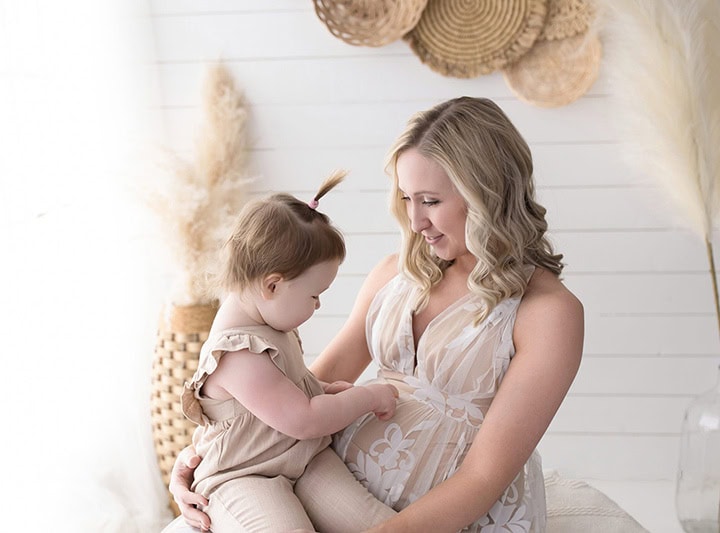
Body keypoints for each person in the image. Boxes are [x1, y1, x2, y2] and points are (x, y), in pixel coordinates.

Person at [167, 96, 584, 532]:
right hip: (319, 482)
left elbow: (483, 478)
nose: (416, 220)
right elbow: (296, 395)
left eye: (431, 200)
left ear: (488, 196)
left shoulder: (548, 314)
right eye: (407, 198)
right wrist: (203, 460)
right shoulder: (398, 275)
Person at [177, 169, 401, 533]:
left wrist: (324, 390)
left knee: (375, 524)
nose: (317, 307)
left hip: (302, 457)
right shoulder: (237, 354)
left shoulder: (268, 323)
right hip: (244, 476)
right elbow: (305, 418)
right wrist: (368, 397)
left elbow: (287, 391)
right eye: (314, 295)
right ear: (273, 285)